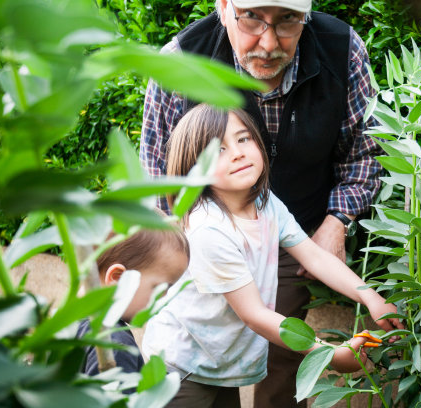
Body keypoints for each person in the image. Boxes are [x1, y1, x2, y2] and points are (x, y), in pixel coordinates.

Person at [140, 1, 382, 406]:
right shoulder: (181, 62)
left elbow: (367, 154)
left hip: (288, 229)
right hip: (181, 363)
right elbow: (155, 178)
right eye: (252, 18)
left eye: (287, 20)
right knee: (214, 379)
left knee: (282, 366)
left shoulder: (341, 48)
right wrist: (331, 354)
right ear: (223, 8)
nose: (268, 43)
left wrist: (366, 284)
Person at [142, 104, 402, 408]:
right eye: (218, 150)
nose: (237, 153)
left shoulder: (265, 202)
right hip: (181, 368)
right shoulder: (208, 229)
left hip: (218, 363)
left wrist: (371, 297)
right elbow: (254, 314)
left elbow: (313, 256)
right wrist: (327, 354)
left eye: (243, 139)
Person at [77, 222, 190, 377]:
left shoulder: (67, 321)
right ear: (118, 278)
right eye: (160, 288)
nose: (166, 299)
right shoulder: (116, 347)